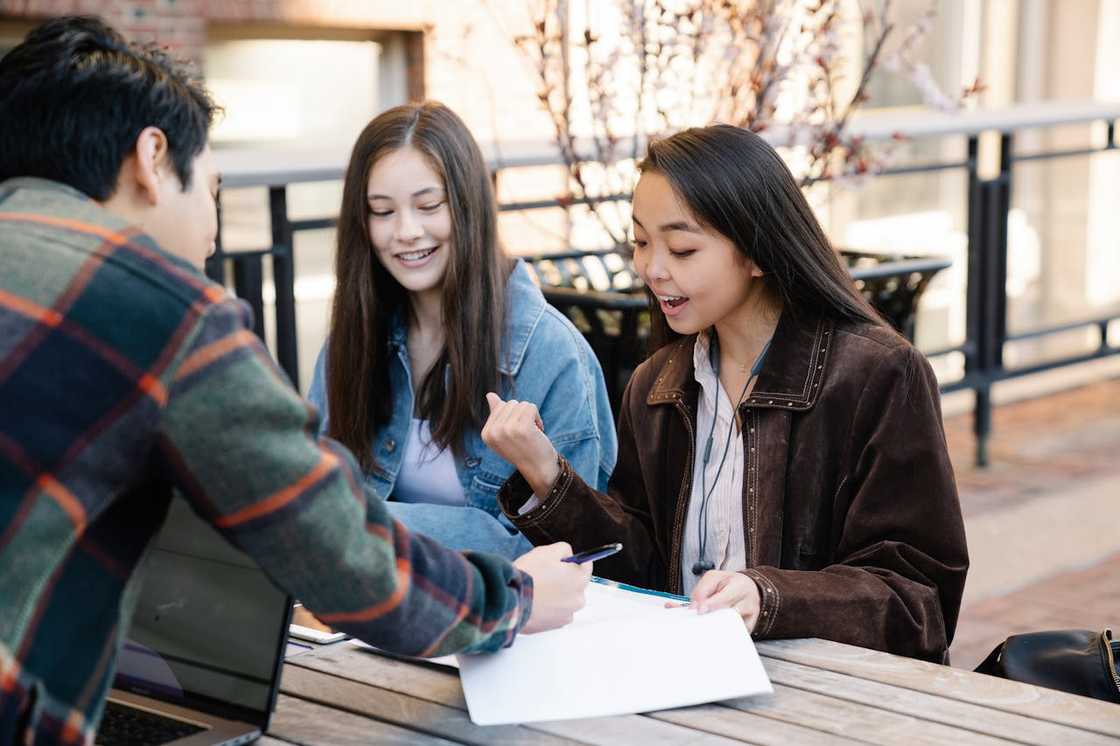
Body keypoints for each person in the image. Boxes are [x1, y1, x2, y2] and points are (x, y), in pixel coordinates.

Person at [0, 16, 590, 743]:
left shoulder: (548, 349)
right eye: (211, 189)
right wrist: (514, 600)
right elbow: (338, 551)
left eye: (427, 204)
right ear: (153, 160)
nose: (213, 230)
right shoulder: (167, 317)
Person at [482, 125, 969, 662]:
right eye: (641, 242)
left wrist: (770, 598)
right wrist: (545, 473)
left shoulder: (879, 374)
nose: (652, 269)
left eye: (683, 248)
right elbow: (640, 566)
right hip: (690, 681)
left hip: (832, 700)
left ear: (760, 252)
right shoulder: (656, 385)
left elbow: (918, 603)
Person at [307, 101, 617, 559]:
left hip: (520, 623)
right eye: (382, 211)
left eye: (428, 205)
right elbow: (312, 504)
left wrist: (367, 521)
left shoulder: (551, 354)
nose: (406, 231)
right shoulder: (351, 343)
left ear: (468, 205)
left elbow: (577, 551)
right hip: (370, 616)